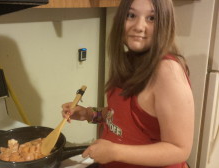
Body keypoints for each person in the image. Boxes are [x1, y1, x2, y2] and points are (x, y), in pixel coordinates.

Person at [61, 0, 194, 168]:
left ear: (165, 23)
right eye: (131, 15)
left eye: (151, 18)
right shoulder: (128, 60)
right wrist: (88, 114)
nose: (139, 26)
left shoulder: (167, 71)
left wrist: (115, 151)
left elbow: (179, 149)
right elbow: (117, 116)